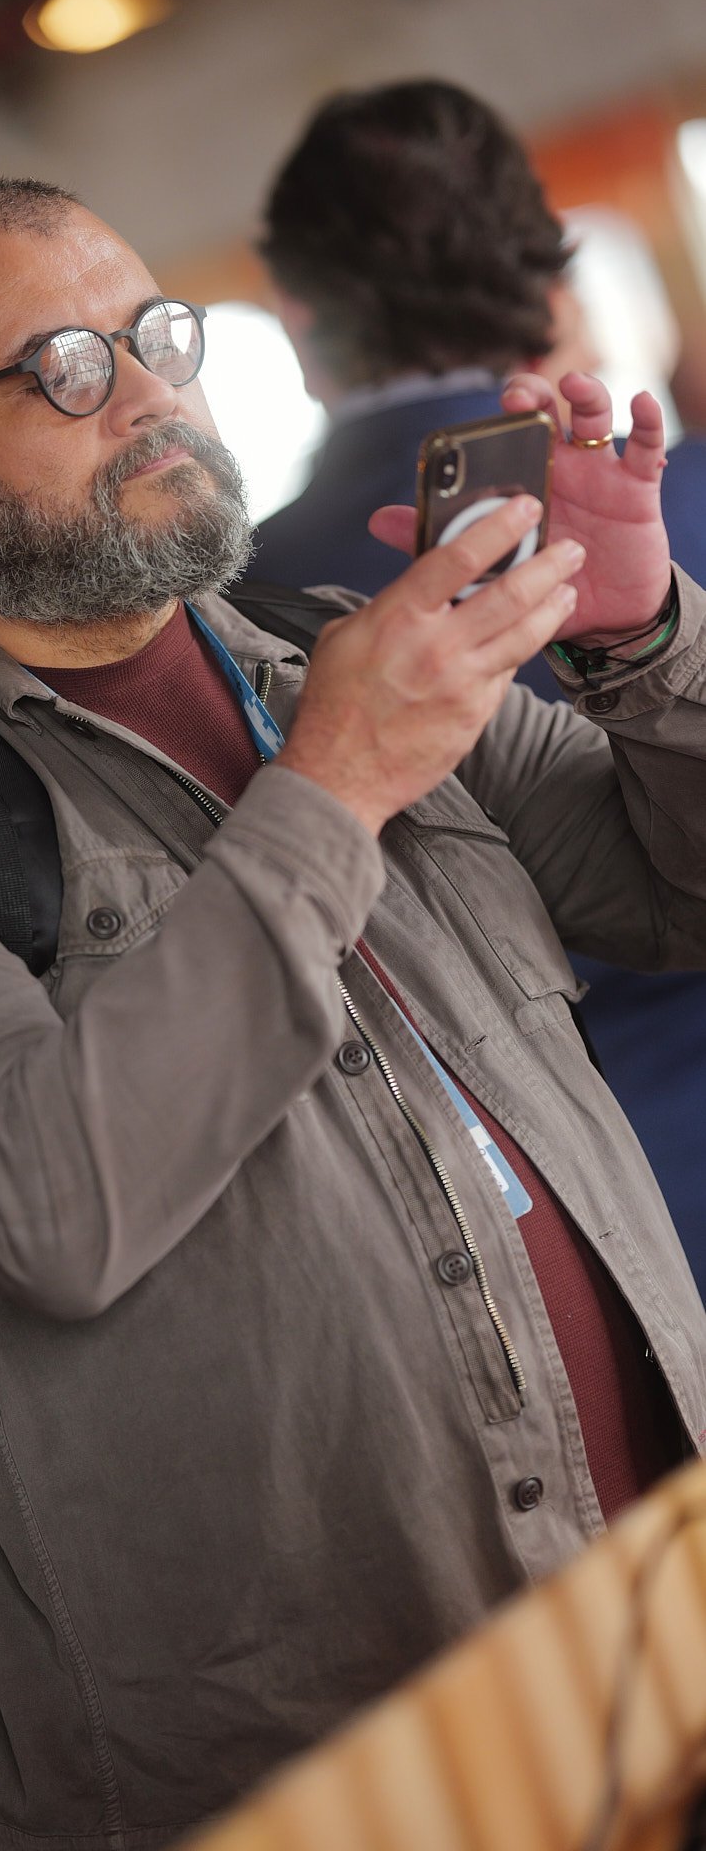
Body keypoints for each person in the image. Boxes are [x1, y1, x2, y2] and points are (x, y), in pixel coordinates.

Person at [0, 175, 706, 1851]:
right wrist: (333, 788)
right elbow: (50, 1203)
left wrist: (645, 638)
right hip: (340, 1729)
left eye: (157, 337)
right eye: (63, 367)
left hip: (645, 1593)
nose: (149, 393)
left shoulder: (327, 657)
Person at [249, 78, 706, 1295]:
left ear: (298, 317)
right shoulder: (694, 496)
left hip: (539, 1226)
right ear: (545, 279)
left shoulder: (242, 602)